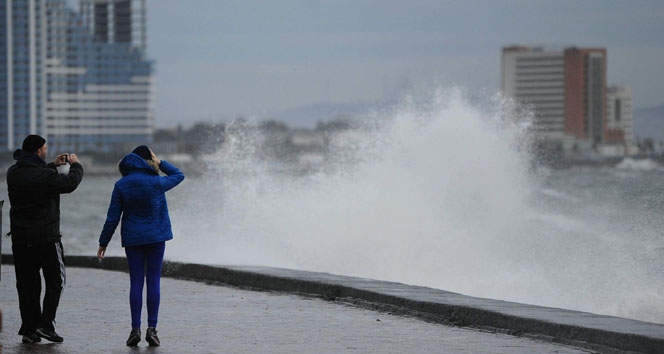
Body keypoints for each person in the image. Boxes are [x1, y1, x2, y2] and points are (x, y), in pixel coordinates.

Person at [97, 145, 184, 347]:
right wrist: (161, 162)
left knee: (136, 282)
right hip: (156, 237)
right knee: (153, 281)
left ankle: (135, 330)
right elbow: (179, 175)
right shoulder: (156, 181)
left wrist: (104, 242)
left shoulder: (121, 185)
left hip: (133, 239)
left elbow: (112, 218)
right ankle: (152, 331)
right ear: (148, 159)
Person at [6, 134, 84, 344]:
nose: (47, 151)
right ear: (39, 151)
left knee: (27, 285)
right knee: (56, 280)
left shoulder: (13, 172)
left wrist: (51, 165)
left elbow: (34, 175)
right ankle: (46, 325)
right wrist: (76, 165)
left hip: (21, 239)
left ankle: (30, 330)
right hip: (46, 237)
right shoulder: (42, 176)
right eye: (45, 148)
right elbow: (69, 183)